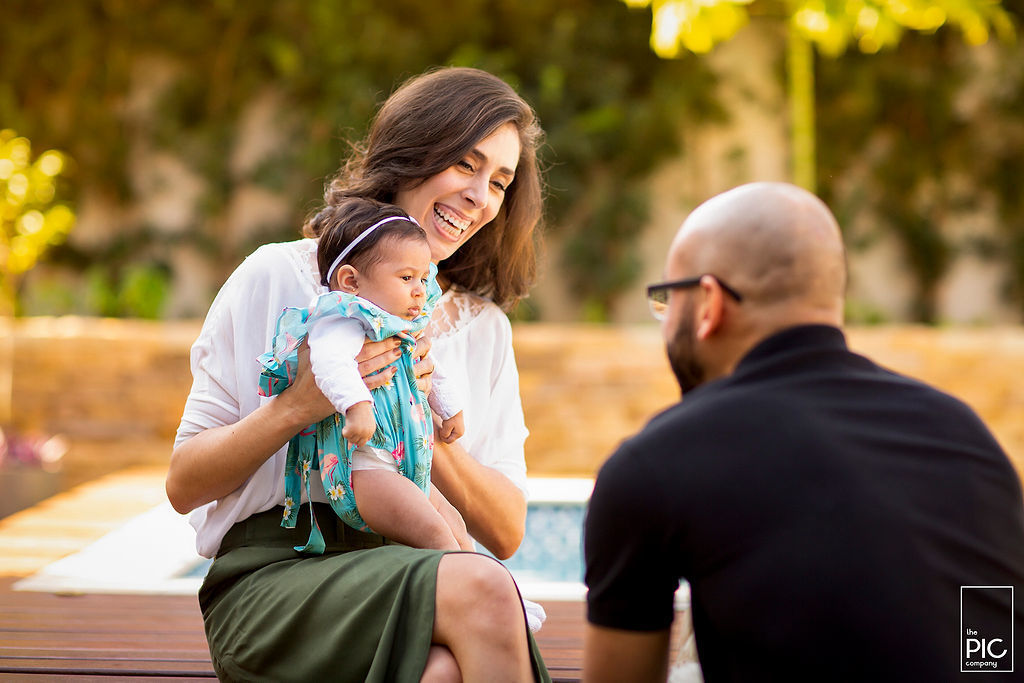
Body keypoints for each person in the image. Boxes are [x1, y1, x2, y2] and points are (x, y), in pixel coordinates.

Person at [167, 67, 550, 682]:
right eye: (466, 164)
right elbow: (185, 483)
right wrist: (298, 405)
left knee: (449, 668)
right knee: (482, 591)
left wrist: (424, 418)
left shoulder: (482, 331)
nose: (480, 196)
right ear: (413, 152)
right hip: (279, 577)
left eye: (500, 182)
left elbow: (505, 529)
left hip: (424, 570)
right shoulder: (281, 277)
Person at [583, 182, 1024, 682]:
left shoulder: (653, 465)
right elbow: (992, 654)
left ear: (708, 303)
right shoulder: (966, 438)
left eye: (667, 299)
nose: (665, 323)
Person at [257, 197, 471, 553]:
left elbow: (431, 366)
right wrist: (357, 406)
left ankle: (503, 596)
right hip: (369, 469)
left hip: (406, 463)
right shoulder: (343, 320)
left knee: (456, 526)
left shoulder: (399, 326)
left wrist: (449, 408)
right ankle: (478, 593)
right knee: (435, 536)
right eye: (406, 277)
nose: (420, 289)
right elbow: (331, 364)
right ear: (351, 281)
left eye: (422, 277)